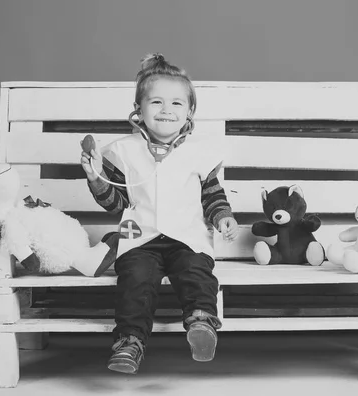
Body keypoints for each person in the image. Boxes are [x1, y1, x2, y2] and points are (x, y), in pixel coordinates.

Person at [81, 53, 239, 374]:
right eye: (156, 102)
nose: (167, 110)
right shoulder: (122, 152)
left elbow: (212, 196)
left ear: (190, 112)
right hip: (139, 238)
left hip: (187, 237)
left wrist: (223, 217)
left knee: (196, 272)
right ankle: (130, 341)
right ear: (138, 110)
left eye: (177, 104)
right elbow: (116, 205)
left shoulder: (199, 153)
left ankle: (201, 322)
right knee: (135, 280)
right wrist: (96, 177)